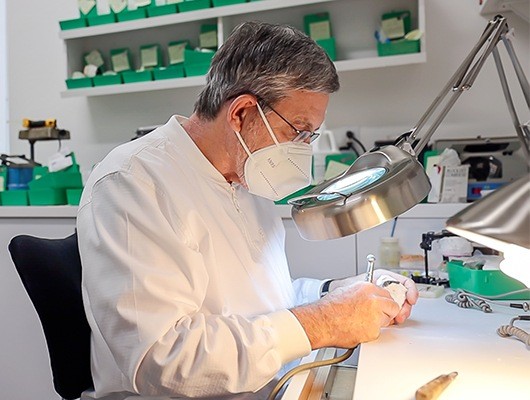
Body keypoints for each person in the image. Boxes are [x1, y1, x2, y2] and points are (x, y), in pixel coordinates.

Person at [77, 21, 418, 400]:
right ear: (241, 113)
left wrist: (337, 292)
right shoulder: (133, 183)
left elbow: (265, 303)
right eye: (299, 131)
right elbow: (163, 360)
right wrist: (325, 320)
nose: (304, 147)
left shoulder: (248, 174)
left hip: (276, 384)